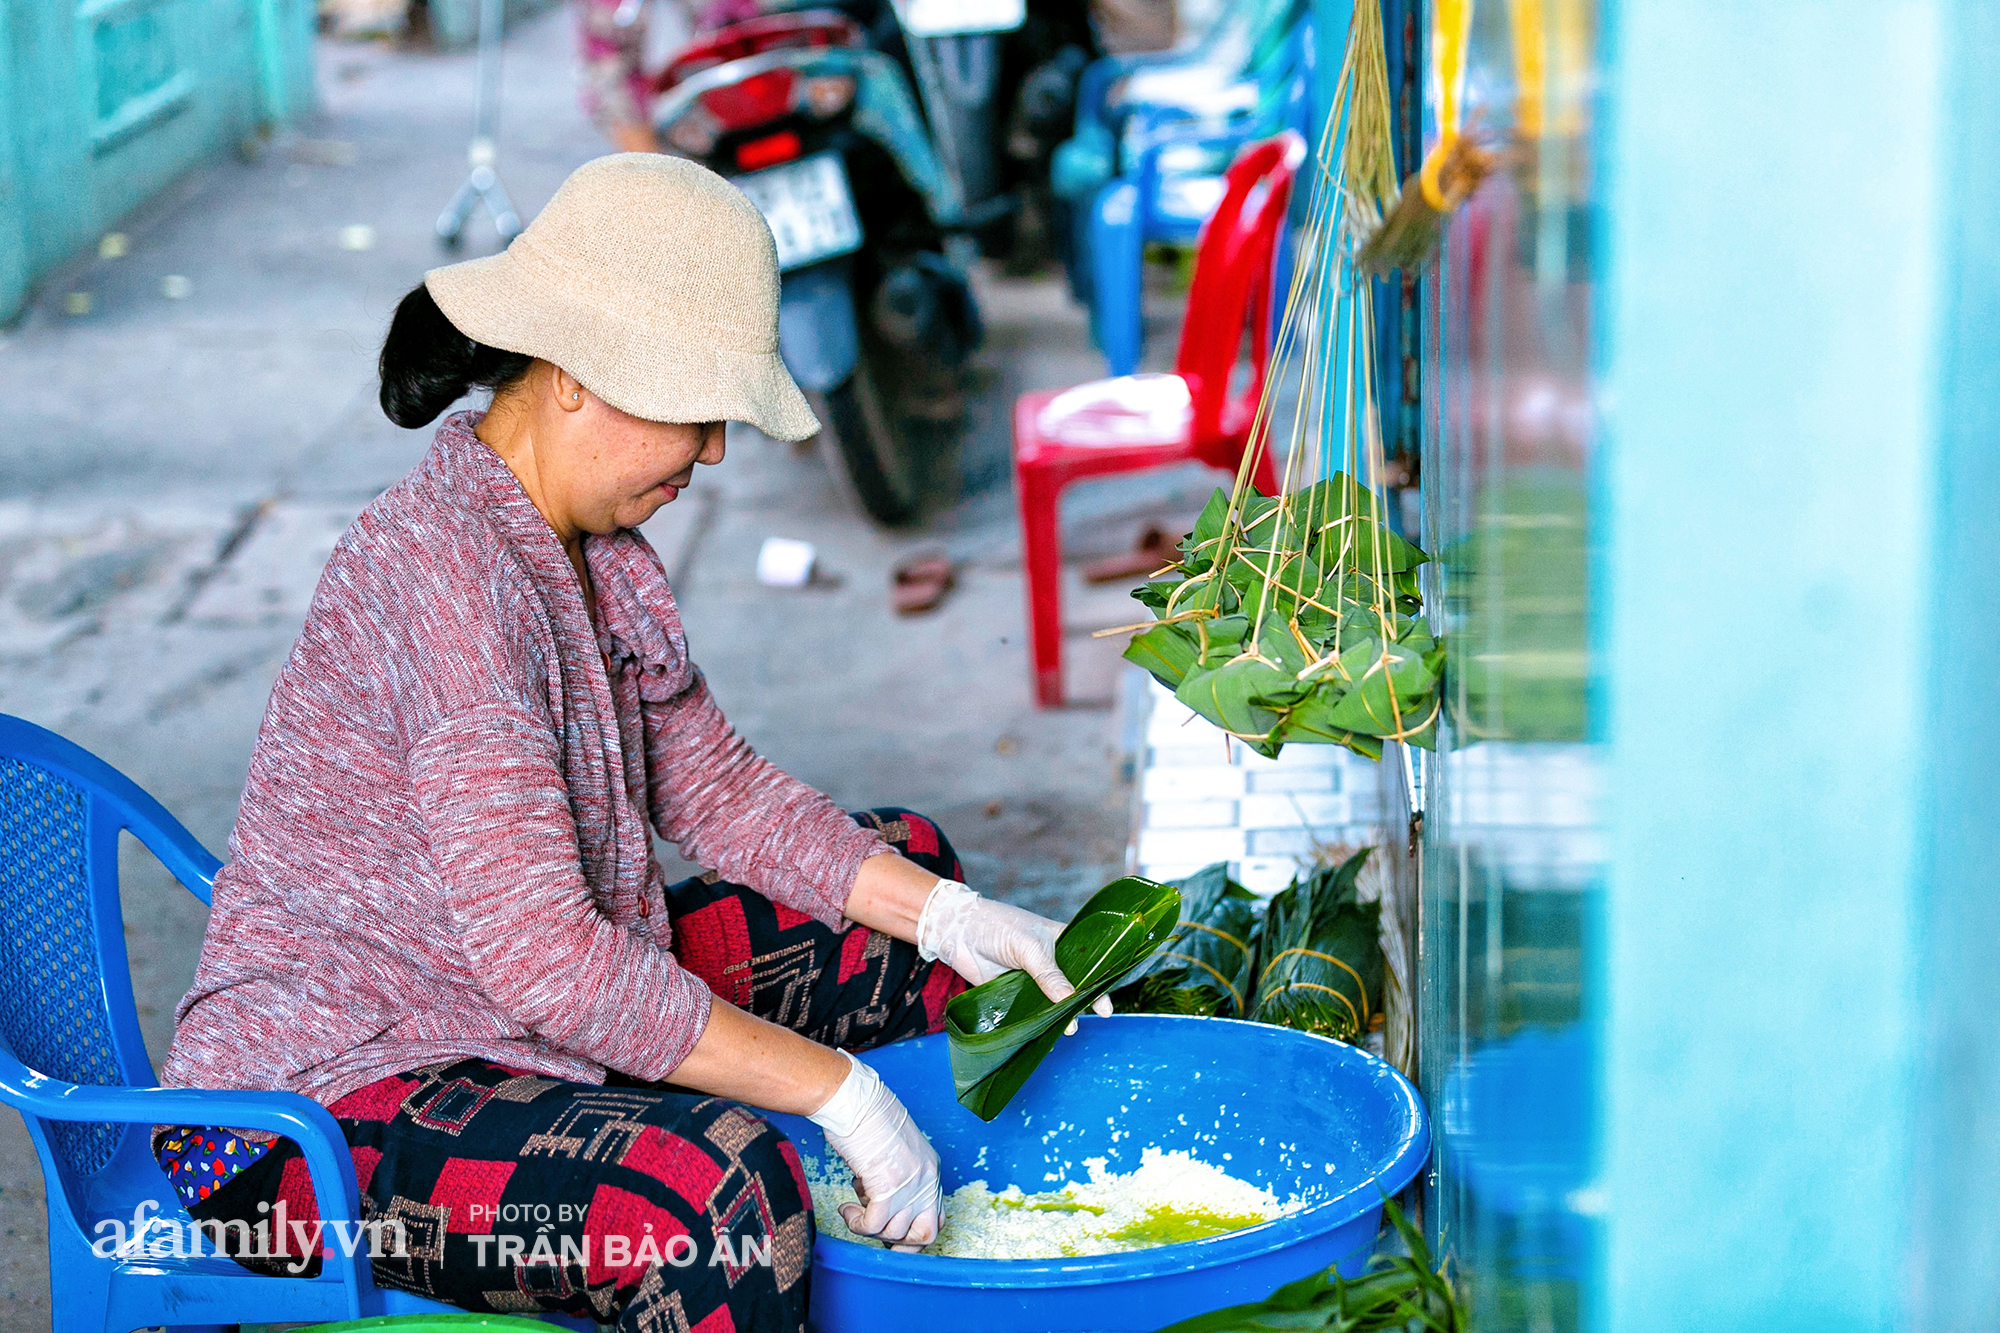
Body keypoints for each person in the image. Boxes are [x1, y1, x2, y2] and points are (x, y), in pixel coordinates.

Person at [149, 153, 1105, 1331]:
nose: (712, 452)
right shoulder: (452, 579)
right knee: (721, 1202)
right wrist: (840, 1091)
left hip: (490, 1020)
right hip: (297, 1124)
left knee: (904, 903)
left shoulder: (586, 548)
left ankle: (904, 1257)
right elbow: (549, 960)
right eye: (697, 410)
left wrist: (954, 918)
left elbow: (717, 789)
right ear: (570, 378)